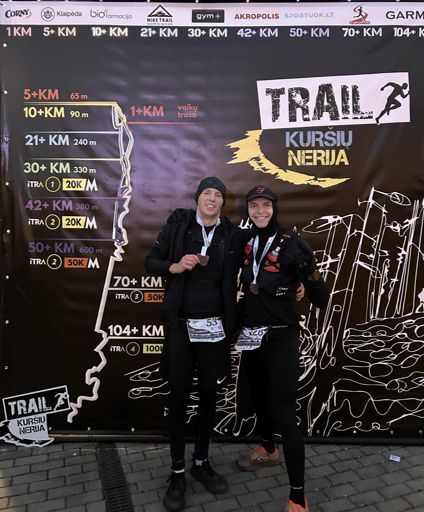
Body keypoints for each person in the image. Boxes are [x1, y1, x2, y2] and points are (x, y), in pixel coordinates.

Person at [145, 176, 242, 512]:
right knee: (178, 395)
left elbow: (262, 260)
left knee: (210, 396)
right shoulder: (178, 228)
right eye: (206, 193)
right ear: (198, 199)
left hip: (214, 330)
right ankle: (177, 472)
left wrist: (299, 283)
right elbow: (150, 261)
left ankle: (201, 462)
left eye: (218, 195)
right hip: (182, 328)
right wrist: (173, 266)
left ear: (223, 202)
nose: (212, 199)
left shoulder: (232, 234)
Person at [236, 185, 330, 512]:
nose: (260, 211)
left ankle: (297, 497)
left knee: (285, 414)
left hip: (281, 336)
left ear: (274, 208)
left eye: (266, 205)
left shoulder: (292, 243)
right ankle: (268, 449)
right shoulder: (246, 239)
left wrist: (304, 282)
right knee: (258, 397)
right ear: (248, 210)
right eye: (254, 206)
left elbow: (321, 296)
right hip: (252, 333)